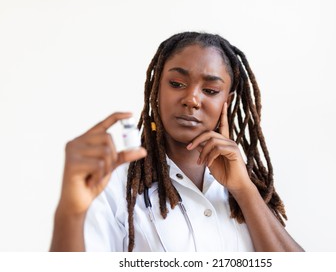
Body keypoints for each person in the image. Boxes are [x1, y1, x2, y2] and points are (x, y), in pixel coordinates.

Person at [50, 32, 304, 252]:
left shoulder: (247, 183)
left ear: (228, 100)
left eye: (211, 91)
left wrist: (244, 190)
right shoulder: (114, 183)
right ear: (156, 90)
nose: (192, 99)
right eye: (176, 84)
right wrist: (70, 211)